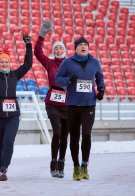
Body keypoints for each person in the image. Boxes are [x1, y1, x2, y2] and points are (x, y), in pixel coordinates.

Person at [0, 34, 32, 181]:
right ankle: (1, 165)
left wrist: (28, 46)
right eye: (1, 62)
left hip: (12, 115)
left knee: (9, 141)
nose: (4, 64)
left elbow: (27, 65)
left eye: (6, 62)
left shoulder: (15, 75)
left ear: (9, 63)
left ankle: (4, 168)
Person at [54, 37, 105, 181]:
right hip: (72, 106)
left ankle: (84, 165)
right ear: (75, 48)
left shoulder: (95, 62)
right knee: (74, 138)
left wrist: (101, 90)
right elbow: (57, 79)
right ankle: (76, 166)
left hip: (89, 104)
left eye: (85, 45)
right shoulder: (67, 62)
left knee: (87, 134)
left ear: (88, 48)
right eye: (80, 45)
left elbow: (100, 77)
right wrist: (68, 80)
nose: (83, 47)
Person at [34, 20, 69, 178]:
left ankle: (61, 164)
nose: (59, 49)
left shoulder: (71, 63)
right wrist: (41, 36)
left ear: (65, 50)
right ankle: (53, 163)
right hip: (53, 102)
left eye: (61, 47)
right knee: (57, 132)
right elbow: (37, 52)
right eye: (56, 48)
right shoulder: (49, 62)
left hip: (68, 103)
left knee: (65, 135)